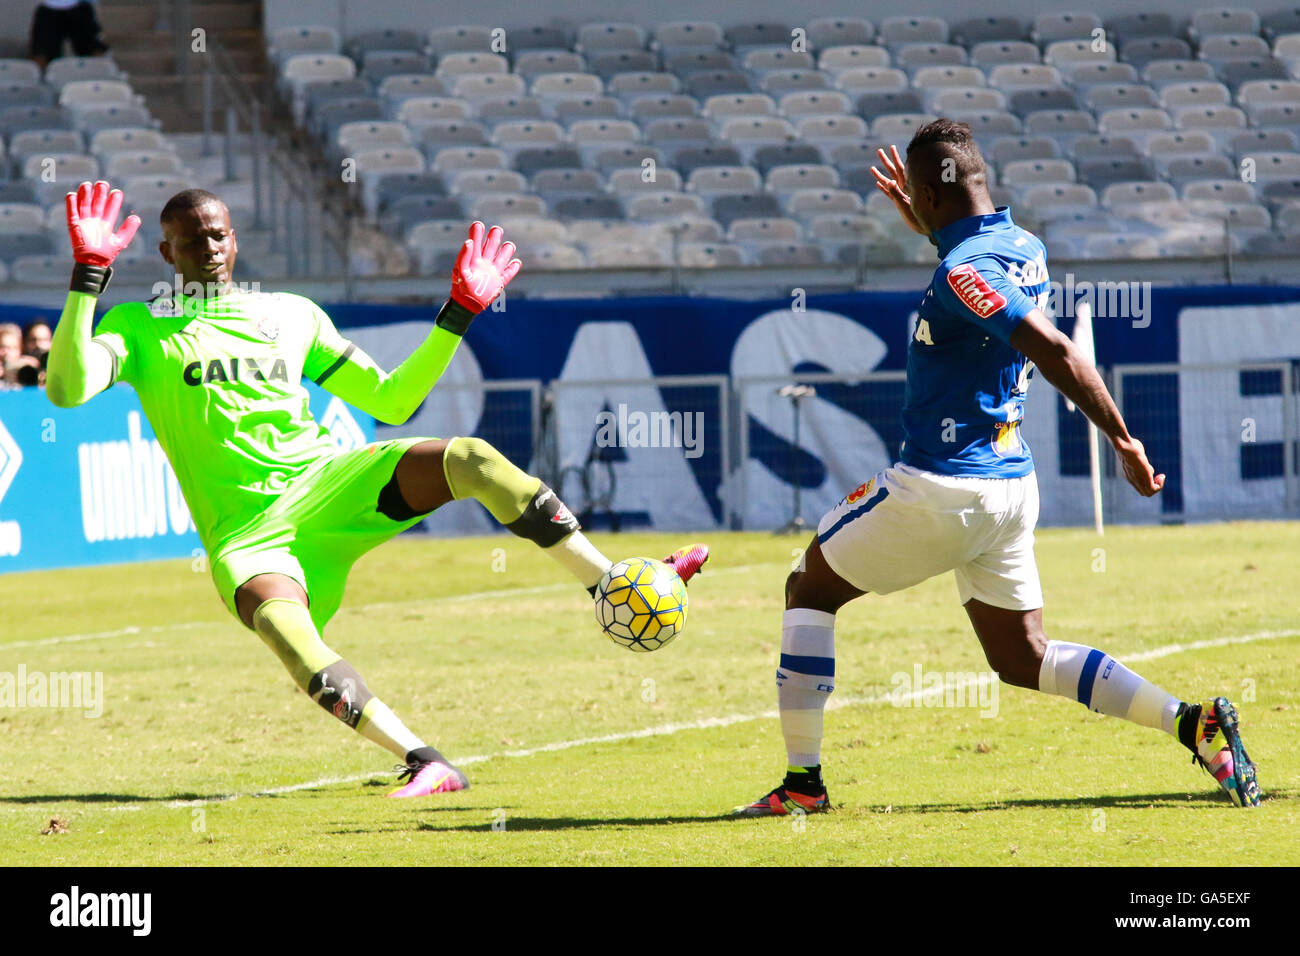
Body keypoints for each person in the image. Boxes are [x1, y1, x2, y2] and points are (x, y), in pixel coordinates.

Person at [46, 180, 709, 798]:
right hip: (247, 532)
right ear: (166, 252)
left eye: (218, 234)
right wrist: (88, 280)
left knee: (471, 458)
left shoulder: (290, 315)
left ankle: (608, 582)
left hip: (328, 484)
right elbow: (67, 388)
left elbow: (392, 401)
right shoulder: (137, 326)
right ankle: (425, 759)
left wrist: (459, 313)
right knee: (283, 628)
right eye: (192, 239)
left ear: (235, 239)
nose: (209, 247)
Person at [734, 119, 1260, 817]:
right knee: (1022, 658)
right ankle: (1192, 723)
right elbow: (979, 278)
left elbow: (1054, 350)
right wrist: (930, 223)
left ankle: (802, 786)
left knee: (807, 586)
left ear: (928, 192)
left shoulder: (962, 270)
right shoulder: (1023, 246)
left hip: (942, 486)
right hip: (1010, 488)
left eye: (920, 199)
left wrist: (1122, 439)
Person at [29, 0, 110, 71]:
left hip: (80, 8)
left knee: (95, 53)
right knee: (41, 55)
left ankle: (99, 80)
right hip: (48, 9)